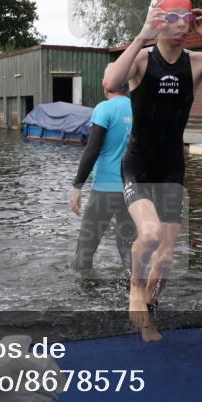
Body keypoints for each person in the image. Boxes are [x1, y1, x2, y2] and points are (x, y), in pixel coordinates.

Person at [103, 0, 202, 341]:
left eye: (185, 17)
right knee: (150, 234)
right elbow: (111, 81)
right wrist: (142, 35)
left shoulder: (198, 62)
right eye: (172, 17)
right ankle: (136, 290)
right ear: (158, 19)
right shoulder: (141, 60)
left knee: (167, 259)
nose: (181, 24)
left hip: (172, 166)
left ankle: (151, 308)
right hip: (137, 164)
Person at [69, 63, 135, 275]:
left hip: (105, 189)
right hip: (133, 189)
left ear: (107, 85)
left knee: (85, 252)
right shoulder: (138, 108)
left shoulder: (104, 109)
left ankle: (84, 295)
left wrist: (78, 185)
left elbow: (92, 149)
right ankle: (135, 292)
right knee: (129, 249)